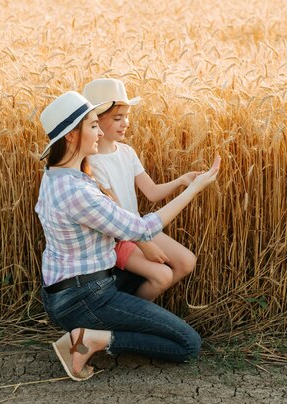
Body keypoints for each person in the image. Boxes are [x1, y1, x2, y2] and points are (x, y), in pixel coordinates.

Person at [35, 91, 220, 381]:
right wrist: (192, 189)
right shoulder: (78, 192)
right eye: (93, 126)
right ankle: (92, 339)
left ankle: (101, 329)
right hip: (84, 298)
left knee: (164, 272)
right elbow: (142, 230)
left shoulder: (56, 175)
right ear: (71, 136)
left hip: (74, 288)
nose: (99, 132)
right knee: (187, 344)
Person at [81, 78, 202, 301]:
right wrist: (145, 246)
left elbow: (153, 192)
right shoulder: (93, 162)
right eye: (118, 118)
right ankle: (132, 316)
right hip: (115, 238)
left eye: (126, 117)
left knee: (187, 261)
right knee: (162, 276)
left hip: (138, 226)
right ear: (95, 122)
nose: (125, 123)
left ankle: (133, 305)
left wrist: (181, 181)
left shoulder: (127, 152)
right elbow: (115, 217)